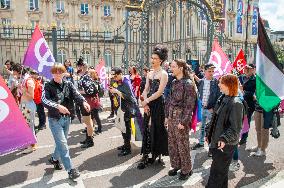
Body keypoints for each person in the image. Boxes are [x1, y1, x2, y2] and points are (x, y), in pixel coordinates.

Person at [42, 64, 90, 180]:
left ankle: (54, 159)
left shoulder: (68, 84)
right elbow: (44, 100)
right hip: (55, 119)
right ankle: (70, 170)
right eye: (55, 72)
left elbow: (76, 94)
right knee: (63, 144)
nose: (58, 74)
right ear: (52, 73)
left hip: (67, 118)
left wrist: (83, 102)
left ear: (64, 73)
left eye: (60, 72)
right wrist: (57, 106)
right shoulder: (48, 85)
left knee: (61, 143)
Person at [205, 74, 244, 188]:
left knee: (216, 174)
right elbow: (214, 119)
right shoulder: (222, 98)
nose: (218, 84)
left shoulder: (236, 103)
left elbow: (235, 127)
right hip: (217, 141)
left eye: (221, 82)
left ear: (228, 85)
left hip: (225, 145)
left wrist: (224, 138)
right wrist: (209, 133)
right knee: (220, 173)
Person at [138, 44, 169, 169]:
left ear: (160, 60)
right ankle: (146, 154)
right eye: (152, 58)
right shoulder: (149, 73)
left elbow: (159, 92)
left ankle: (156, 153)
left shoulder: (164, 74)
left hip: (158, 104)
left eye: (155, 58)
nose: (152, 60)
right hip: (149, 102)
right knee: (146, 127)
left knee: (156, 127)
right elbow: (146, 89)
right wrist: (145, 102)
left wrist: (146, 101)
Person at [165, 59, 197, 180]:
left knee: (183, 144)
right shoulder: (174, 82)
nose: (171, 68)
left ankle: (186, 169)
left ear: (180, 68)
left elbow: (190, 105)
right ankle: (176, 165)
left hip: (181, 118)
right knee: (172, 143)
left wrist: (183, 122)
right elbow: (169, 100)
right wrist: (167, 117)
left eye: (173, 66)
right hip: (172, 116)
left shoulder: (188, 83)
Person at [192, 63, 221, 155]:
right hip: (202, 109)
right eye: (209, 71)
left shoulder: (216, 82)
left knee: (211, 129)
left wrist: (213, 108)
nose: (211, 73)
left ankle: (211, 147)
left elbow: (218, 97)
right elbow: (198, 88)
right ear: (204, 71)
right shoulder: (202, 82)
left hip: (210, 109)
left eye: (213, 71)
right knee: (202, 127)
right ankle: (201, 143)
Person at [109, 67, 137, 156]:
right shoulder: (119, 81)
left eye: (115, 76)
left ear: (120, 74)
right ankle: (125, 144)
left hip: (128, 108)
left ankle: (128, 148)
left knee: (126, 127)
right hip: (122, 107)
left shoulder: (126, 82)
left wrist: (116, 91)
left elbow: (129, 97)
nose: (114, 78)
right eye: (113, 76)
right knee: (123, 127)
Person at [12, 63, 37, 153]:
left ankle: (32, 145)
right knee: (25, 125)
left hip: (28, 105)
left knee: (29, 126)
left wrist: (21, 88)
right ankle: (27, 144)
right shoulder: (23, 80)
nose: (13, 72)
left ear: (18, 71)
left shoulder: (29, 81)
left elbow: (31, 96)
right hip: (24, 105)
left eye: (14, 70)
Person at [76, 58, 95, 148]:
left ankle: (90, 141)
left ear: (83, 67)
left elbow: (90, 91)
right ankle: (88, 138)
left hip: (87, 101)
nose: (77, 67)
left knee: (88, 122)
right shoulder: (84, 76)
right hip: (84, 101)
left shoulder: (86, 77)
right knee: (87, 121)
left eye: (79, 66)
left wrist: (78, 92)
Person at [238, 64, 256, 145]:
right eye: (245, 68)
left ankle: (244, 138)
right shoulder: (241, 77)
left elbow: (255, 93)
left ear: (253, 70)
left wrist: (244, 91)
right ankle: (239, 135)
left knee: (246, 120)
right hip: (239, 102)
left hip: (249, 104)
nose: (246, 70)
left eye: (248, 69)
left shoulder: (256, 80)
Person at [89, 69, 103, 134]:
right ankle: (92, 128)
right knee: (92, 115)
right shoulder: (92, 81)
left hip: (94, 100)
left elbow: (95, 91)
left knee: (96, 115)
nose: (88, 74)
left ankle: (100, 128)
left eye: (89, 73)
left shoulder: (95, 82)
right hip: (93, 100)